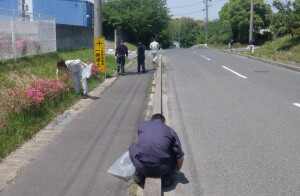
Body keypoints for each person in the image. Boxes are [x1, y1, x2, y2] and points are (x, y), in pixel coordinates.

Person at [129, 113, 184, 187]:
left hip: (141, 167)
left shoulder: (142, 125)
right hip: (162, 170)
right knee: (174, 151)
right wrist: (176, 171)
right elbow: (180, 157)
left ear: (151, 121)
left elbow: (141, 143)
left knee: (133, 146)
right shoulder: (171, 131)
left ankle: (139, 174)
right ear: (164, 122)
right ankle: (166, 175)